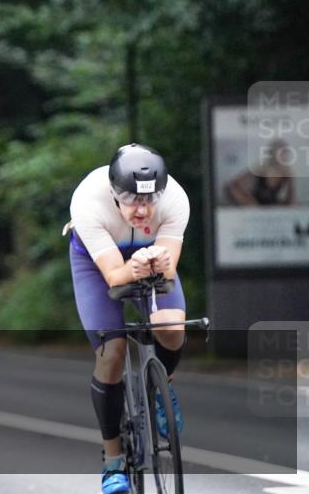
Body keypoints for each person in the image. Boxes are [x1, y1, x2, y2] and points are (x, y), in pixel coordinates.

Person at [64, 143, 189, 494]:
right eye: (132, 200)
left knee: (172, 328)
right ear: (114, 193)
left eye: (149, 201)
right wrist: (131, 269)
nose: (142, 210)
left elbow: (168, 269)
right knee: (112, 351)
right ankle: (113, 460)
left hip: (149, 256)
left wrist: (158, 265)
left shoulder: (176, 199)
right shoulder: (88, 201)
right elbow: (114, 277)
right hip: (97, 260)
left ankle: (165, 385)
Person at [225, 139, 295, 206]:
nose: (283, 156)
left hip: (271, 206)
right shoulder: (261, 167)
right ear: (273, 153)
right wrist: (249, 201)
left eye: (285, 153)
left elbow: (290, 199)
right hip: (255, 204)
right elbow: (233, 185)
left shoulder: (287, 171)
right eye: (281, 153)